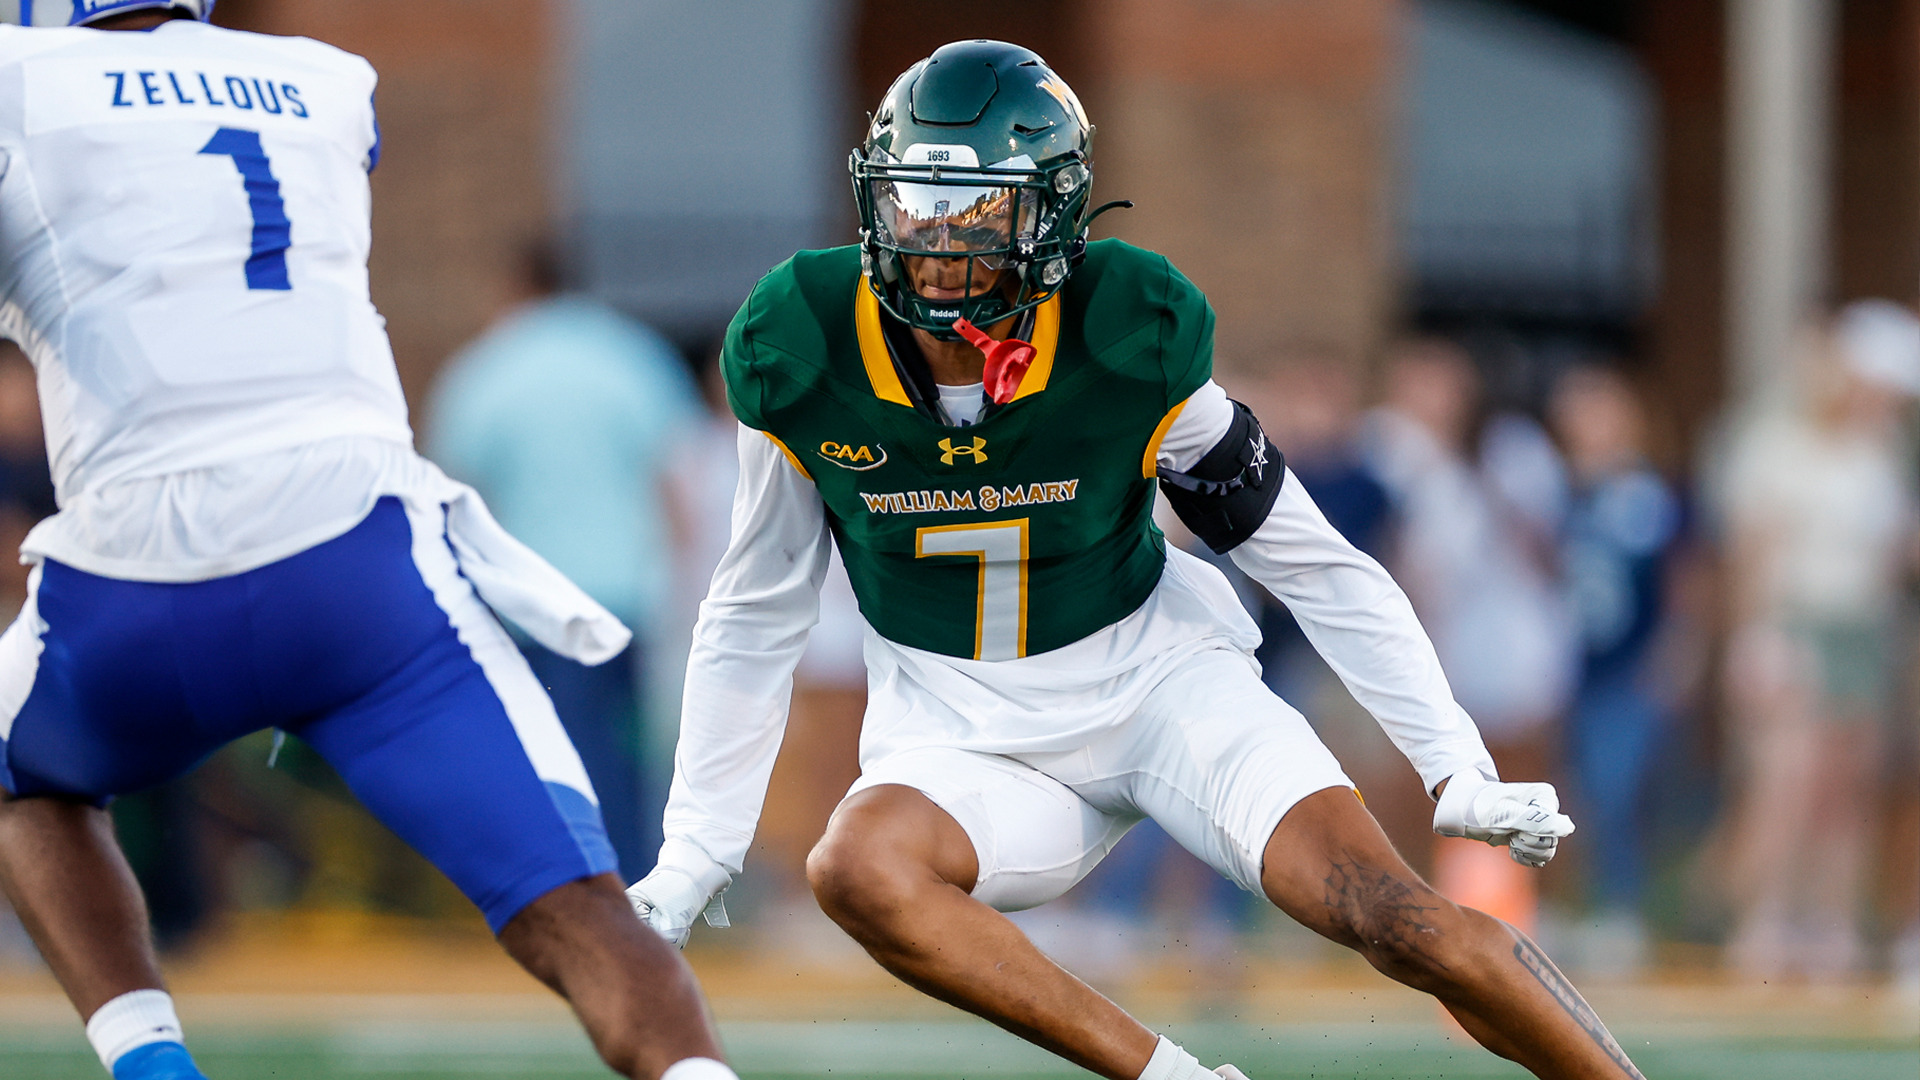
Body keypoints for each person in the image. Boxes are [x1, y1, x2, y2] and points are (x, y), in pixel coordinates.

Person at [630, 40, 1646, 1080]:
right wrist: (700, 839)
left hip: (1161, 694)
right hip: (961, 739)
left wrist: (1454, 766)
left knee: (1398, 922)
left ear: (1054, 217)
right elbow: (755, 609)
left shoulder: (1125, 335)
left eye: (975, 211)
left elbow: (1313, 562)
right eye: (915, 203)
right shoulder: (806, 342)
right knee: (856, 868)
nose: (935, 243)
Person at [0, 6, 732, 1080]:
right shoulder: (326, 77)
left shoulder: (21, 75)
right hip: (361, 575)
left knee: (26, 782)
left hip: (138, 579)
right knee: (583, 908)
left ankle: (153, 1064)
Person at [429, 240, 703, 882]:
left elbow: (458, 495)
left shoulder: (486, 368)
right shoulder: (630, 355)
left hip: (529, 604)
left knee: (546, 752)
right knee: (629, 754)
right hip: (627, 596)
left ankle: (571, 884)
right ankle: (640, 879)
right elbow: (677, 482)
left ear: (512, 288)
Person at [1714, 299, 1920, 978]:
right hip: (1797, 622)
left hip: (1861, 628)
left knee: (1848, 786)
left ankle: (1832, 924)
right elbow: (1756, 548)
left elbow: (1892, 553)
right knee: (1789, 781)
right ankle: (1761, 922)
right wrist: (1757, 637)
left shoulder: (1879, 452)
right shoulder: (1779, 444)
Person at [1548, 363, 1681, 970]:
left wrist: (1678, 652)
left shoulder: (1651, 493)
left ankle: (1622, 909)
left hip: (1630, 666)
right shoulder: (1563, 490)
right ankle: (1577, 908)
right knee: (1570, 789)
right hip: (1571, 667)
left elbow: (1685, 578)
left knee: (1615, 787)